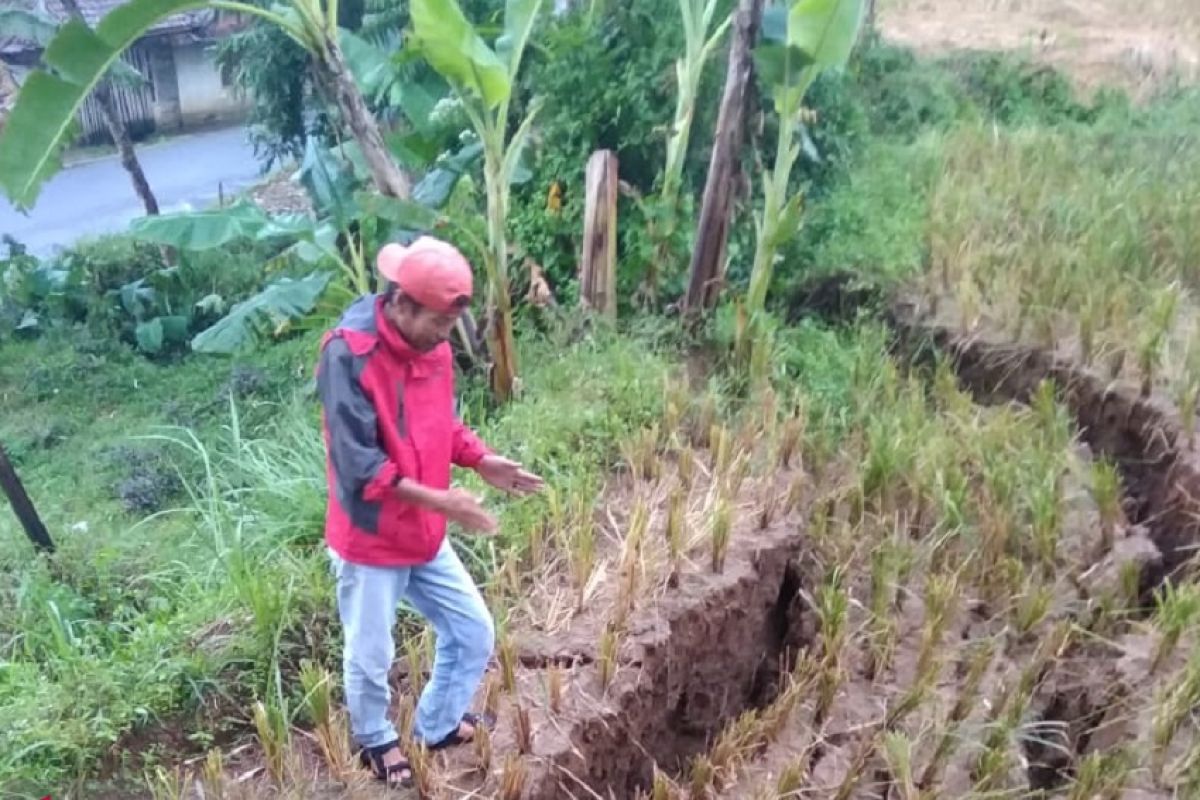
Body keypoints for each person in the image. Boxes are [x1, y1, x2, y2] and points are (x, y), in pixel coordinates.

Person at [315, 236, 544, 788]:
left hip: (422, 529)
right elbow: (358, 465)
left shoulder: (433, 351)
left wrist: (481, 459)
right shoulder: (347, 354)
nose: (447, 338)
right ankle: (375, 739)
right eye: (440, 323)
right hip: (370, 539)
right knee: (371, 656)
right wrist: (442, 500)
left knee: (473, 632)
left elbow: (441, 424)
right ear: (402, 304)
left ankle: (436, 725)